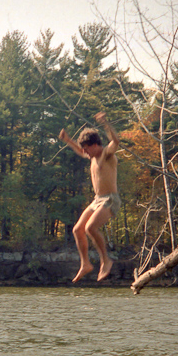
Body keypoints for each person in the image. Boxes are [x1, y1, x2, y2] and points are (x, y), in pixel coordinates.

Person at [59, 112, 121, 282]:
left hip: (110, 199)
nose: (84, 151)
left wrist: (105, 123)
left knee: (90, 228)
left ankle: (106, 261)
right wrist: (67, 140)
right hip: (97, 200)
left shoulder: (106, 154)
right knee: (77, 229)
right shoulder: (92, 156)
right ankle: (85, 264)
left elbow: (116, 141)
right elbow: (79, 151)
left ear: (94, 145)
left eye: (87, 147)